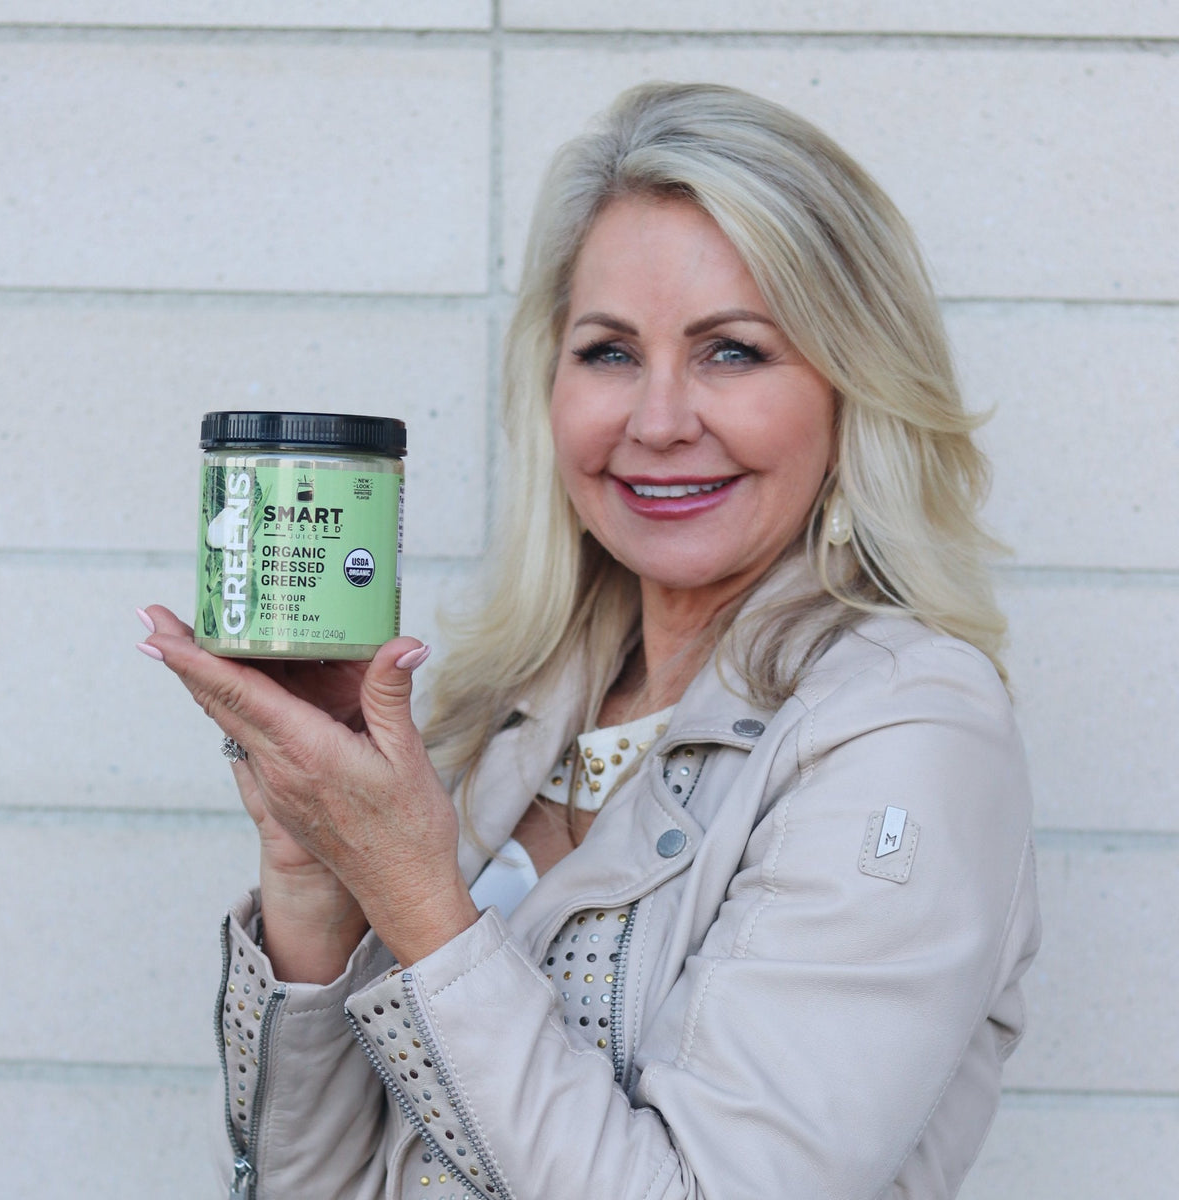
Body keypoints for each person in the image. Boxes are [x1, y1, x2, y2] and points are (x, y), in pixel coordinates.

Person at [137, 81, 1040, 1200]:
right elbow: (302, 1184)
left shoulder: (908, 726)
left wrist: (417, 896)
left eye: (734, 352)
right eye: (610, 352)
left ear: (855, 390)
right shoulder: (508, 705)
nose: (657, 421)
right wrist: (315, 868)